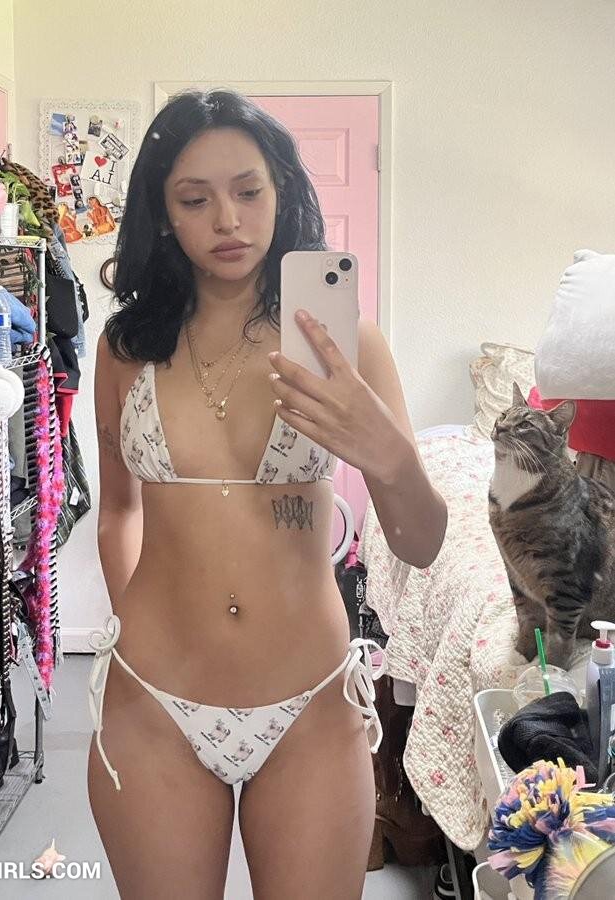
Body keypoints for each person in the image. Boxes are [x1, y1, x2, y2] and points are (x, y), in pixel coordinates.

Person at [87, 89, 447, 899]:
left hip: (309, 706)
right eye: (194, 199)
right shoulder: (126, 347)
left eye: (248, 191)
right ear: (161, 214)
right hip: (152, 699)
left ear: (280, 192)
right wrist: (125, 628)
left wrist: (387, 454)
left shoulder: (343, 344)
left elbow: (421, 544)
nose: (227, 220)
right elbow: (118, 510)